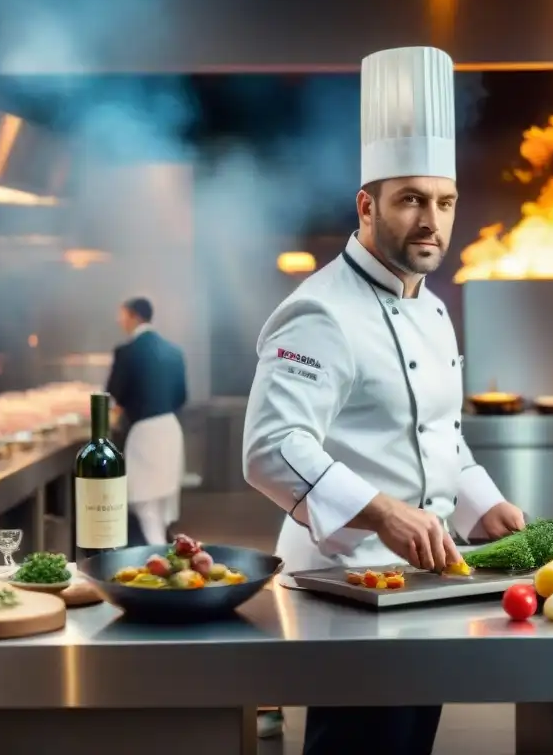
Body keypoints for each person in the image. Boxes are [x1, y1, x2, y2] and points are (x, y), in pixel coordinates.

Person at [243, 46, 525, 755]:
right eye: (410, 200)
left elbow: (435, 432)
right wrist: (382, 511)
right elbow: (271, 449)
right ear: (367, 206)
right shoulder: (320, 313)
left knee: (408, 743)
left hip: (421, 584)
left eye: (444, 201)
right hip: (345, 581)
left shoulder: (429, 307)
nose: (431, 220)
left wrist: (479, 503)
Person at [106, 297, 188, 546]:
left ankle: (158, 556)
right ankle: (163, 552)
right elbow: (182, 396)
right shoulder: (174, 351)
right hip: (170, 429)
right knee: (162, 503)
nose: (119, 320)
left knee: (143, 501)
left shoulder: (126, 352)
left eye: (121, 315)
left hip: (144, 433)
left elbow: (115, 395)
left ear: (133, 316)